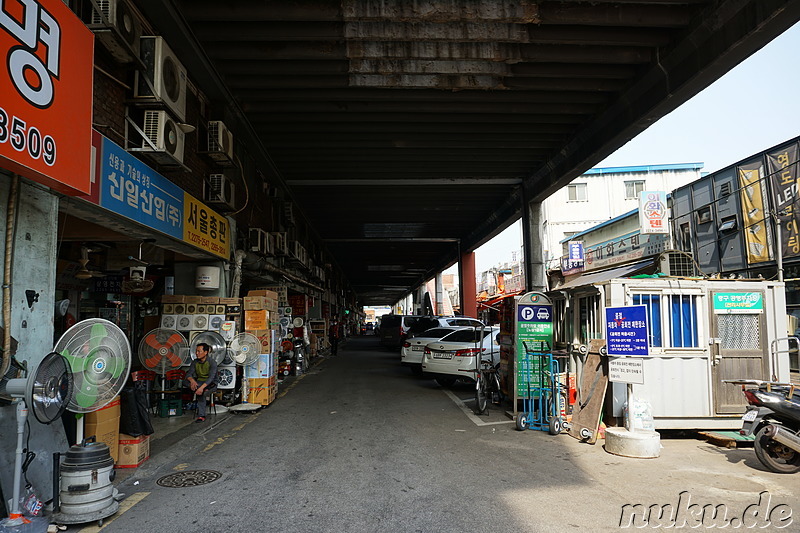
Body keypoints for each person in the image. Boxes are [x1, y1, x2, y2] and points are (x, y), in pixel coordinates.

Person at [186, 342, 218, 423]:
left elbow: (211, 378)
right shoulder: (195, 362)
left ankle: (201, 415)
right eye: (196, 351)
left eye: (199, 351)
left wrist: (201, 388)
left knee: (202, 393)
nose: (197, 353)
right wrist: (192, 381)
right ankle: (196, 389)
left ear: (206, 352)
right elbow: (188, 374)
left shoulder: (212, 362)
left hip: (211, 383)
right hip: (199, 382)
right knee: (184, 382)